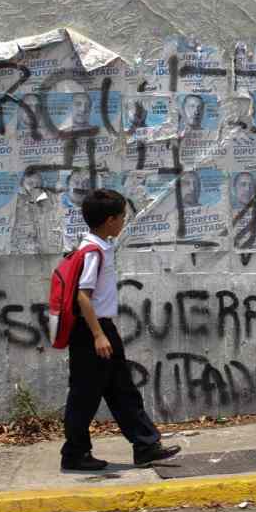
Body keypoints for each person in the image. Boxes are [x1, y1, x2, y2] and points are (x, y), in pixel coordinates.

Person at [61, 189, 181, 471]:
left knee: (122, 390)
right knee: (84, 395)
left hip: (102, 328)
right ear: (110, 220)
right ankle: (75, 453)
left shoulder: (100, 246)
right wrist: (98, 335)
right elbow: (82, 296)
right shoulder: (92, 252)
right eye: (123, 217)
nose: (125, 221)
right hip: (92, 330)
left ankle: (146, 446)